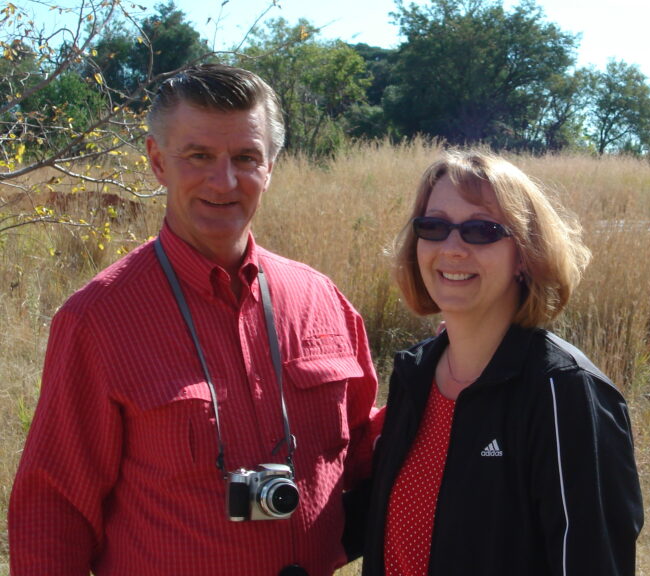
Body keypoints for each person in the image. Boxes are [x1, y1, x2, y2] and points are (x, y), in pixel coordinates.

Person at [8, 63, 379, 576]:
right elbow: (53, 511)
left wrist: (456, 372)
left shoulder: (321, 299)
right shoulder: (97, 320)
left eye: (245, 157)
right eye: (199, 156)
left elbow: (362, 450)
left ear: (270, 166)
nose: (224, 181)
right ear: (158, 161)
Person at [361, 150, 643, 575]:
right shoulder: (414, 375)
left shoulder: (564, 392)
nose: (452, 248)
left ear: (525, 255)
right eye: (434, 227)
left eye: (481, 230)